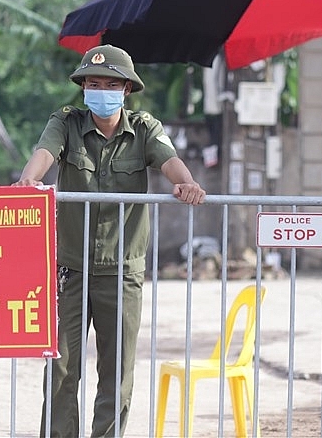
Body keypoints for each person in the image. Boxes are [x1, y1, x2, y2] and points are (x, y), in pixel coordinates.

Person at [11, 44, 205, 438]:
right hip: (70, 268)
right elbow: (45, 153)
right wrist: (29, 181)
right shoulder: (66, 122)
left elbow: (169, 160)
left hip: (122, 272)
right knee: (62, 369)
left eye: (110, 84)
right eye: (93, 83)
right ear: (82, 87)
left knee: (116, 373)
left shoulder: (144, 129)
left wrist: (186, 183)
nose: (100, 90)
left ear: (126, 90)